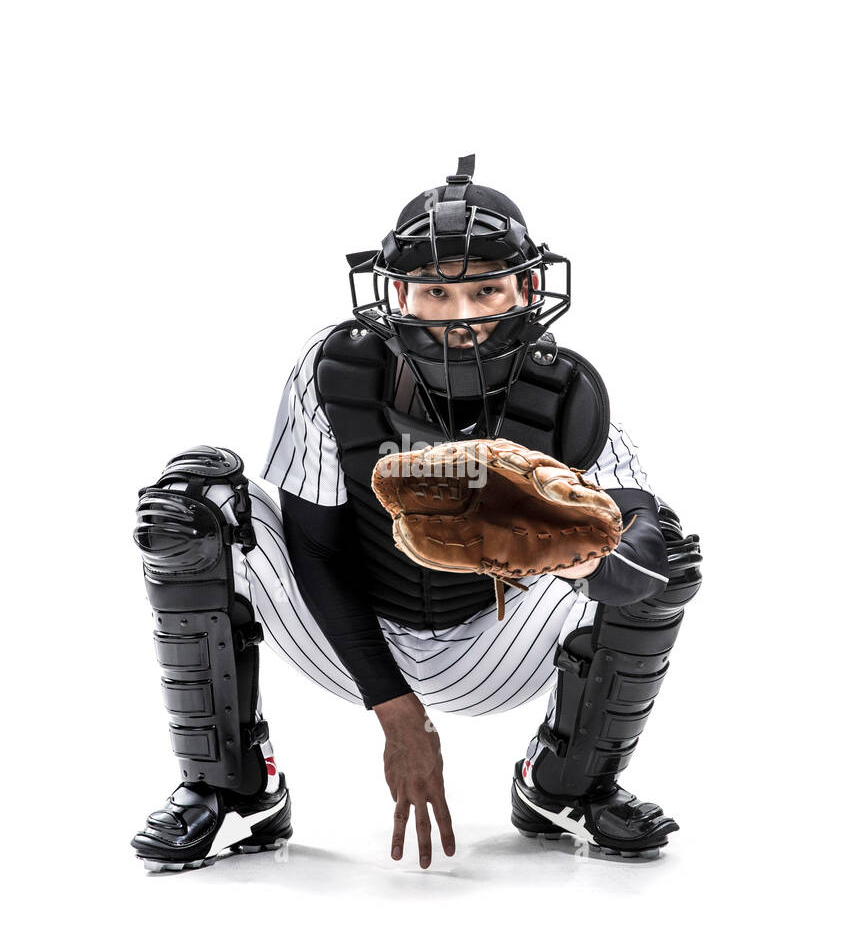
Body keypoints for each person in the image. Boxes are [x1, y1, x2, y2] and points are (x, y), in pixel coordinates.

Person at [131, 156, 702, 872]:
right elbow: (317, 552)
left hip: (496, 639)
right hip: (348, 634)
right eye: (436, 292)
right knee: (188, 509)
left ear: (528, 287)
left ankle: (567, 783)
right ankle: (233, 789)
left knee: (667, 553)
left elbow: (646, 563)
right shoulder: (336, 371)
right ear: (397, 291)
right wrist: (397, 714)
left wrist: (573, 552)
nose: (462, 316)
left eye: (487, 288)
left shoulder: (566, 394)